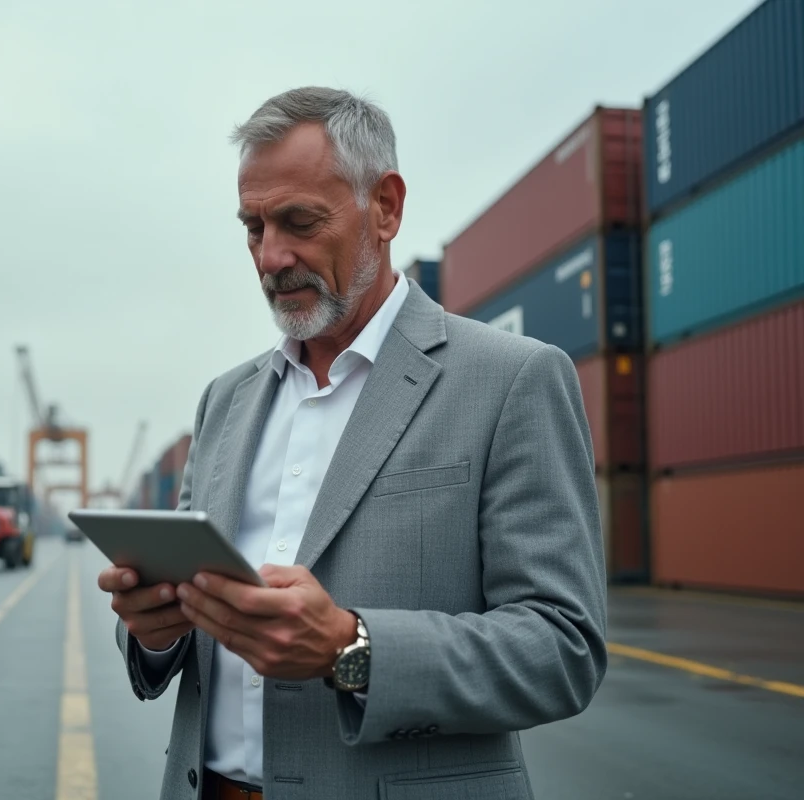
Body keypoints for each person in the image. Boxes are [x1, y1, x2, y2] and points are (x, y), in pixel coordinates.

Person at [99, 86, 607, 800]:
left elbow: (563, 650)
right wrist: (155, 632)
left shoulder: (513, 381)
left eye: (299, 222)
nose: (271, 258)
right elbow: (176, 649)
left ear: (387, 207)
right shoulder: (224, 401)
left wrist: (350, 647)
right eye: (253, 228)